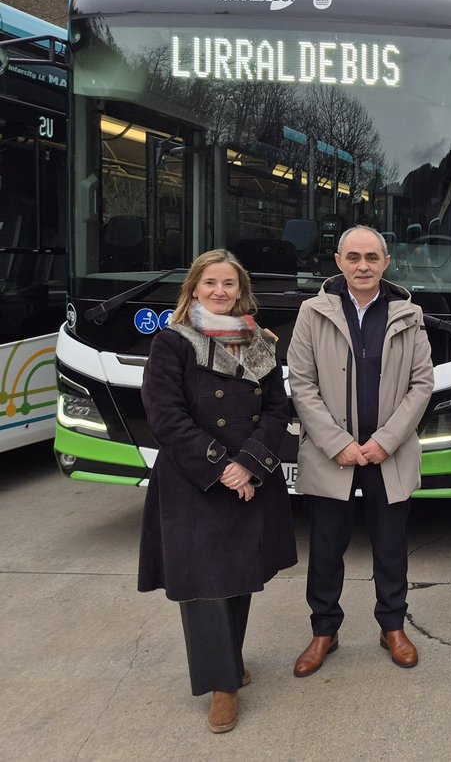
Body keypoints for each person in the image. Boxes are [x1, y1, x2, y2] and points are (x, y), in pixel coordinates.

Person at [138, 249, 296, 734]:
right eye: (211, 283)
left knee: (238, 575)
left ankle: (230, 661)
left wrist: (248, 465)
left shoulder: (260, 343)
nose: (220, 291)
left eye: (229, 284)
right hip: (194, 481)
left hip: (248, 476)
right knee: (203, 586)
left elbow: (277, 408)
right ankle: (222, 686)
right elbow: (165, 416)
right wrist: (221, 466)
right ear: (193, 289)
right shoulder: (173, 343)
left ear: (241, 290)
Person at [288, 225, 434, 676]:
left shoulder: (409, 314)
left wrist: (383, 442)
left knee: (391, 545)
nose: (363, 266)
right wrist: (340, 445)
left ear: (386, 263)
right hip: (334, 456)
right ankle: (324, 631)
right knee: (327, 547)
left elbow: (421, 383)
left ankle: (392, 625)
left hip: (387, 455)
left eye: (372, 257)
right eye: (354, 257)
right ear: (338, 262)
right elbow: (301, 382)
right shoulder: (312, 313)